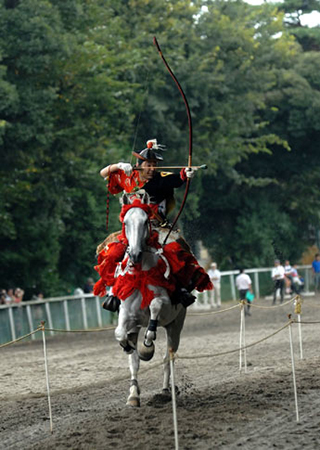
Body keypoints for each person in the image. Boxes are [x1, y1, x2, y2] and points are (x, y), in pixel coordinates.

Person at [95, 138, 213, 311]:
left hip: (157, 228)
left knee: (176, 251)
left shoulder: (162, 179)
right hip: (131, 229)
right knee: (112, 254)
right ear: (139, 164)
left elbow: (178, 179)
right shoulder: (127, 177)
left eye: (154, 165)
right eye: (148, 165)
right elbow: (103, 173)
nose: (151, 168)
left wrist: (186, 174)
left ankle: (180, 289)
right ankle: (112, 292)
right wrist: (118, 166)